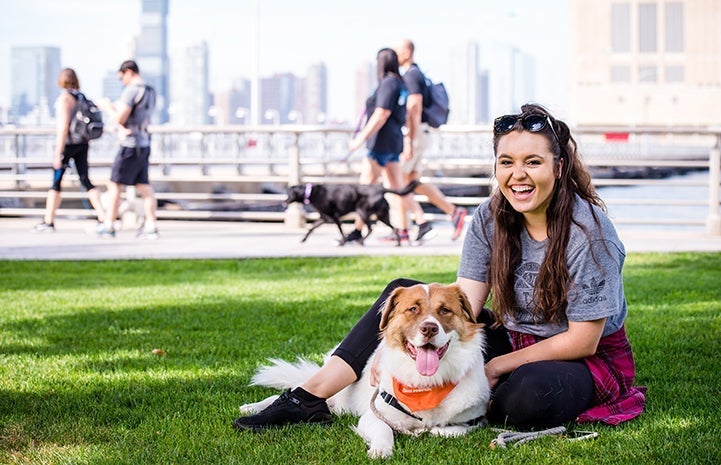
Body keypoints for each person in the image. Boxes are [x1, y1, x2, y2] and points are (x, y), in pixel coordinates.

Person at [233, 103, 646, 430]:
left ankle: (498, 395)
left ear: (558, 167)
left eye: (533, 162)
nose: (518, 175)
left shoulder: (589, 233)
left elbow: (583, 341)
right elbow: (463, 302)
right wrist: (391, 345)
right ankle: (308, 397)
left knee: (523, 400)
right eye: (507, 162)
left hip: (580, 357)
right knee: (405, 287)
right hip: (516, 336)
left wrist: (496, 365)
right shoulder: (490, 216)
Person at [394, 39, 467, 243]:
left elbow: (414, 107)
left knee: (397, 181)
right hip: (422, 133)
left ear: (407, 52)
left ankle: (411, 227)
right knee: (411, 182)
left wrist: (409, 139)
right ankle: (453, 212)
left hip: (415, 133)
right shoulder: (418, 74)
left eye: (397, 52)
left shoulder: (411, 75)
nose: (394, 56)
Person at [344, 48, 415, 245]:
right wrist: (408, 140)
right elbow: (407, 114)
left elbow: (381, 113)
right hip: (393, 141)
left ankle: (358, 230)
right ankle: (411, 226)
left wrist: (360, 138)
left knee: (365, 188)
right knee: (397, 187)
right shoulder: (401, 84)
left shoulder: (388, 83)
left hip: (380, 143)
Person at [32, 68, 105, 232]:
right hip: (83, 144)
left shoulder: (65, 98)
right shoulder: (81, 97)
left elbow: (63, 128)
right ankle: (103, 218)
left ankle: (48, 221)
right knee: (85, 180)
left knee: (55, 183)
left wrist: (58, 154)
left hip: (69, 145)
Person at [96, 60, 158, 239]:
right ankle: (151, 226)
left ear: (129, 72)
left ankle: (108, 225)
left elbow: (120, 119)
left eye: (122, 77)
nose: (122, 81)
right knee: (145, 187)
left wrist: (108, 108)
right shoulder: (150, 91)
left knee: (114, 184)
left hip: (129, 144)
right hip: (144, 143)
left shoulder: (131, 90)